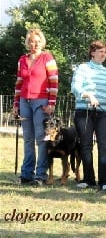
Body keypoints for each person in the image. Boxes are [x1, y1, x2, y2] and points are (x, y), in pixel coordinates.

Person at [71, 40, 106, 191]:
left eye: (105, 52)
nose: (103, 54)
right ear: (92, 53)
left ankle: (105, 182)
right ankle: (88, 179)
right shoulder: (83, 68)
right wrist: (88, 96)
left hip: (103, 112)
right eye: (100, 51)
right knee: (85, 145)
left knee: (104, 146)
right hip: (84, 111)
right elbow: (75, 87)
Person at [13, 28, 59, 186]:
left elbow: (54, 81)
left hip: (41, 102)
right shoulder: (22, 60)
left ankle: (40, 175)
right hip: (25, 101)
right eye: (31, 41)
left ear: (42, 42)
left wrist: (51, 102)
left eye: (37, 41)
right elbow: (19, 83)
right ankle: (26, 174)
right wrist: (16, 103)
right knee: (27, 139)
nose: (34, 44)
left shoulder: (48, 58)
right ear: (28, 42)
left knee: (41, 138)